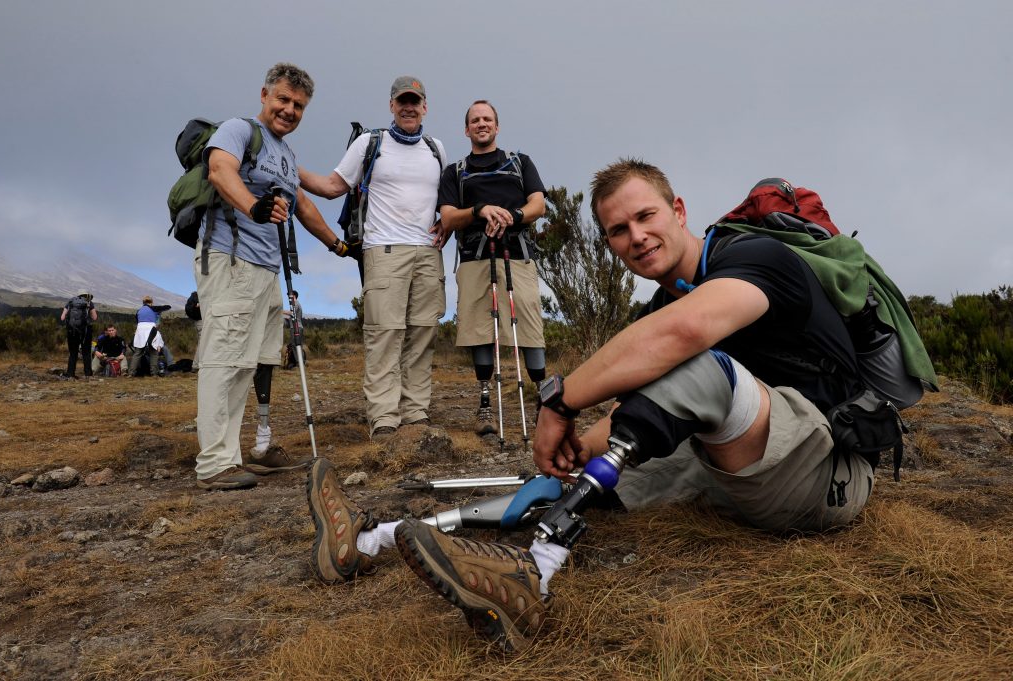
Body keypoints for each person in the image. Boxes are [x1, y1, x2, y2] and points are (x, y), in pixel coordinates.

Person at [305, 159, 922, 651]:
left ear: (679, 211)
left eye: (646, 216)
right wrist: (562, 460)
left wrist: (558, 402)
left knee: (700, 367)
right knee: (577, 471)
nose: (636, 237)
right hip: (757, 459)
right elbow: (643, 411)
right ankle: (371, 541)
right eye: (618, 231)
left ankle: (536, 575)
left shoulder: (756, 260)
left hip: (828, 475)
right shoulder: (665, 303)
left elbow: (683, 342)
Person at [194, 62, 347, 491]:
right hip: (231, 259)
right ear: (264, 95)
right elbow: (220, 170)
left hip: (264, 270)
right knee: (224, 359)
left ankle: (232, 454)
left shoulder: (285, 155)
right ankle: (213, 464)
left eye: (298, 105)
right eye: (283, 99)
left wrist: (340, 246)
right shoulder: (239, 130)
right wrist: (253, 206)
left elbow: (305, 206)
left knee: (246, 365)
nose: (289, 110)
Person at [301, 76, 447, 441]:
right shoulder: (371, 143)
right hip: (383, 251)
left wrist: (448, 223)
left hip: (429, 255)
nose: (409, 107)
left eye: (415, 101)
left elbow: (447, 199)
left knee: (422, 334)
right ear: (391, 105)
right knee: (384, 335)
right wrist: (288, 167)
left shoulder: (436, 148)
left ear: (425, 106)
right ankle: (384, 418)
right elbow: (333, 187)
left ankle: (416, 413)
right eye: (402, 101)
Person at [435, 100, 548, 436]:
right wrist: (480, 209)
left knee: (529, 323)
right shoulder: (454, 172)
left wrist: (513, 216)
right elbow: (448, 217)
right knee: (479, 328)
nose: (481, 124)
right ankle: (486, 402)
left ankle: (544, 399)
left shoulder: (520, 163)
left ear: (496, 126)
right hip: (475, 257)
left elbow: (538, 204)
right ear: (466, 129)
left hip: (517, 254)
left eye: (487, 119)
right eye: (475, 120)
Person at [60, 290, 97, 378]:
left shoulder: (70, 302)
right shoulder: (89, 303)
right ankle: (88, 374)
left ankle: (70, 374)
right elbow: (94, 317)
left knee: (73, 353)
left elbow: (62, 317)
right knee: (86, 352)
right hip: (85, 331)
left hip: (72, 331)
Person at [128, 296, 167, 377]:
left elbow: (137, 321)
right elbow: (167, 307)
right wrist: (159, 310)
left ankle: (131, 373)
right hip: (151, 330)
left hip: (140, 330)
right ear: (151, 302)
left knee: (138, 352)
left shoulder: (139, 311)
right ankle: (154, 373)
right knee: (154, 352)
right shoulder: (153, 309)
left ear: (143, 302)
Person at [283, 289, 303, 369]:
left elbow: (292, 313)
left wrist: (281, 311)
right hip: (297, 327)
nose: (288, 297)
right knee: (297, 345)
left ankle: (299, 363)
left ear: (294, 296)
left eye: (289, 296)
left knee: (295, 345)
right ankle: (298, 362)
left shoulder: (295, 303)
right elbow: (292, 317)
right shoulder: (296, 304)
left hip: (296, 327)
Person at [186, 291, 202, 371]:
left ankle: (197, 365)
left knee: (202, 342)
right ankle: (196, 365)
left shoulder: (193, 297)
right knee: (203, 343)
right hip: (202, 321)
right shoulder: (200, 296)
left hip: (197, 322)